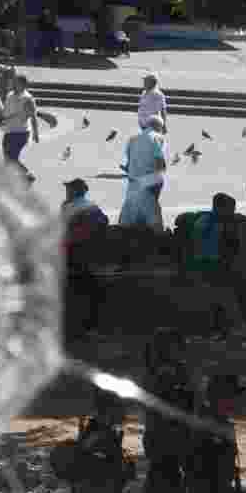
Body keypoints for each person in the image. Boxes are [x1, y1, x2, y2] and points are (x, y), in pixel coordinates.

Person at [127, 328, 195, 493]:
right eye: (178, 346)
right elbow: (177, 406)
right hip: (166, 440)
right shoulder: (166, 373)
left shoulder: (159, 371)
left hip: (162, 439)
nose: (182, 350)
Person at [180, 193, 246, 336]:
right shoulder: (213, 225)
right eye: (230, 209)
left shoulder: (205, 218)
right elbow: (214, 249)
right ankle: (239, 327)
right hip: (209, 265)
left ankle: (223, 328)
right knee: (226, 296)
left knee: (221, 297)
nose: (232, 212)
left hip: (206, 265)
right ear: (220, 208)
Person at [61, 179, 110, 339]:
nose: (67, 192)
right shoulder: (92, 206)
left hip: (73, 257)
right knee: (90, 292)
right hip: (91, 257)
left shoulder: (68, 207)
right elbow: (105, 223)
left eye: (68, 189)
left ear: (74, 191)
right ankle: (90, 327)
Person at [119, 115, 167, 230]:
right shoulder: (158, 137)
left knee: (126, 222)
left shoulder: (132, 139)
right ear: (158, 127)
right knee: (154, 223)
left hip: (132, 185)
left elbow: (129, 162)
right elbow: (159, 162)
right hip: (149, 184)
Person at [1, 75, 40, 183]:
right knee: (7, 158)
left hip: (20, 132)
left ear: (23, 85)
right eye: (14, 82)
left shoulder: (28, 99)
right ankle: (15, 178)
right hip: (8, 131)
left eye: (16, 83)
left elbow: (33, 116)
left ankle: (27, 175)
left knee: (11, 158)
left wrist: (36, 133)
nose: (13, 84)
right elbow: (6, 112)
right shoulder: (9, 95)